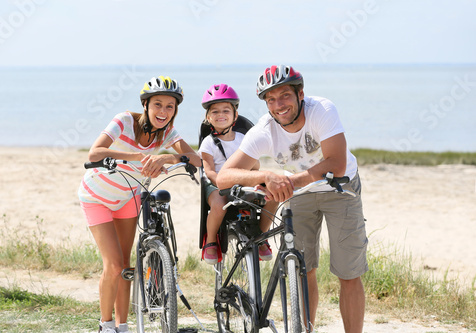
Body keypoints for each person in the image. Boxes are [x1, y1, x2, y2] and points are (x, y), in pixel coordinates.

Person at [216, 65, 368, 333]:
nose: (278, 105)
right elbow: (224, 177)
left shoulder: (321, 110)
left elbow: (338, 163)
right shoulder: (264, 130)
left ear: (300, 94)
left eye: (285, 95)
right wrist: (265, 175)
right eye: (270, 99)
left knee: (348, 272)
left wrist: (291, 181)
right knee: (302, 269)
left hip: (339, 188)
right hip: (299, 196)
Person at [78, 76, 201, 333]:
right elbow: (95, 153)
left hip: (128, 198)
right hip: (96, 197)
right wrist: (136, 156)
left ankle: (122, 326)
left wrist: (167, 156)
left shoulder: (167, 132)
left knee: (126, 267)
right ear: (145, 104)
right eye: (158, 104)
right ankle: (106, 325)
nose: (163, 112)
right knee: (112, 265)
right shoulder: (123, 121)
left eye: (170, 106)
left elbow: (195, 159)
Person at [198, 83, 277, 265]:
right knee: (218, 204)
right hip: (215, 183)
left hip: (241, 180)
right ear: (208, 117)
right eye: (215, 112)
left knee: (273, 196)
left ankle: (261, 235)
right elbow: (208, 170)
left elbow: (254, 165)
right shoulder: (208, 143)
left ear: (235, 116)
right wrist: (221, 182)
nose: (220, 115)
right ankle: (210, 241)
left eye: (226, 110)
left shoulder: (244, 139)